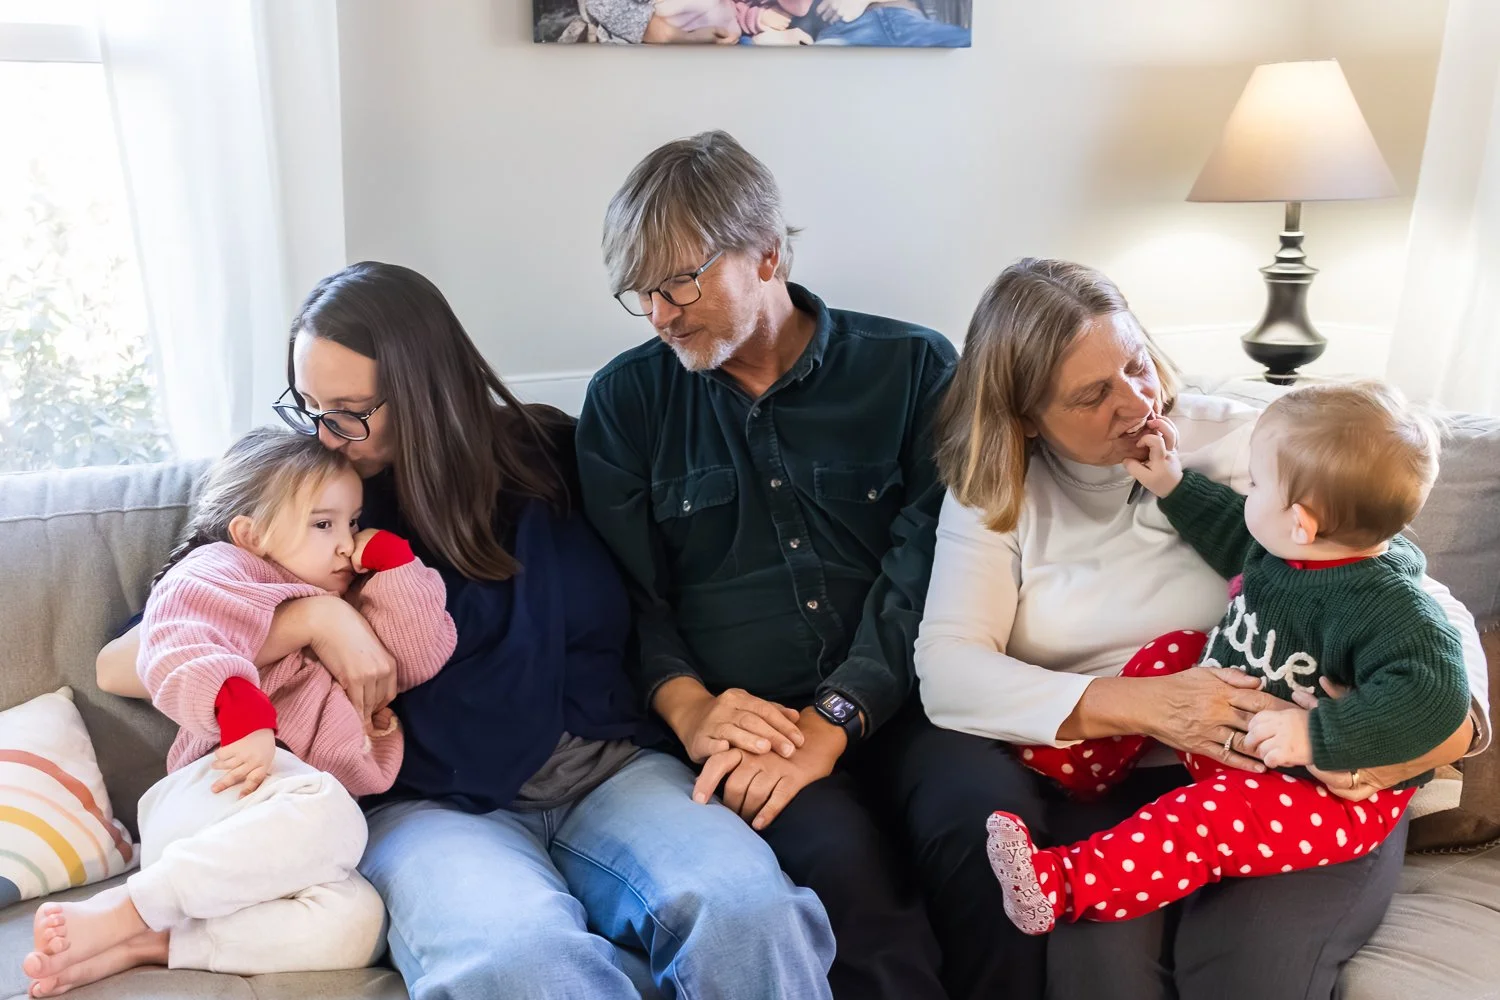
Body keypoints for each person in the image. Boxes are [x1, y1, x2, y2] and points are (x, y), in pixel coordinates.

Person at [93, 262, 835, 1000]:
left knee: (750, 914)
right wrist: (314, 619)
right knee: (518, 961)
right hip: (428, 805)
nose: (328, 433)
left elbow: (661, 590)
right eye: (310, 405)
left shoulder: (550, 458)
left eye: (350, 410)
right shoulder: (315, 501)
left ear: (424, 390)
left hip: (609, 769)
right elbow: (128, 659)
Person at [913, 258, 1490, 999]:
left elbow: (1410, 598)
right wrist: (1143, 706)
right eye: (1094, 394)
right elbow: (950, 669)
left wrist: (1425, 734)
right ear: (1026, 417)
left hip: (1299, 777)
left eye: (1135, 364)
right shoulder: (995, 494)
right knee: (1096, 968)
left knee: (1245, 970)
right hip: (1127, 776)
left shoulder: (1260, 447)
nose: (1135, 402)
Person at [576, 129, 960, 999]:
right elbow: (628, 600)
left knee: (981, 827)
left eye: (680, 281)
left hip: (917, 704)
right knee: (841, 870)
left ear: (767, 254)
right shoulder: (627, 402)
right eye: (643, 293)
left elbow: (929, 567)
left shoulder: (912, 369)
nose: (663, 315)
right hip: (755, 730)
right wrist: (693, 709)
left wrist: (836, 719)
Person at [985, 382, 1470, 934]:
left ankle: (1060, 887)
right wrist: (1171, 484)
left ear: (1301, 522)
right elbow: (1230, 529)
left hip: (1319, 797)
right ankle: (1070, 769)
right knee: (1176, 649)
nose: (1248, 492)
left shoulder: (1388, 606)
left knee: (1202, 821)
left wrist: (1317, 734)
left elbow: (1435, 699)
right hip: (1234, 734)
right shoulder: (1286, 545)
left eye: (1258, 483)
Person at [24, 427, 451, 997]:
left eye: (353, 522)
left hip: (276, 832)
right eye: (323, 525)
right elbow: (180, 641)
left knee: (361, 920)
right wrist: (243, 712)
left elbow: (418, 656)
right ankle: (132, 906)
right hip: (216, 787)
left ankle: (151, 943)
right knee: (335, 816)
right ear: (251, 534)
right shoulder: (219, 569)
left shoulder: (347, 590)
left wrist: (395, 563)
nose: (348, 543)